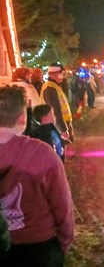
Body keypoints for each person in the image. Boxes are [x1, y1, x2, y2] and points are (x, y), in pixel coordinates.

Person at [0, 85, 74, 266]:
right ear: (24, 117)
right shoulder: (42, 154)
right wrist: (63, 244)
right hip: (40, 248)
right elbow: (62, 205)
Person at [40, 63, 74, 143]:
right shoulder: (50, 88)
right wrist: (62, 129)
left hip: (60, 125)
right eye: (62, 74)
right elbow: (55, 110)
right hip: (57, 127)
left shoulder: (54, 86)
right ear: (54, 74)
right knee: (59, 153)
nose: (63, 76)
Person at [10, 67, 41, 134]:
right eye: (29, 75)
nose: (30, 77)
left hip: (12, 121)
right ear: (24, 75)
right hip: (29, 118)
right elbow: (37, 104)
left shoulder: (9, 87)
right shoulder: (28, 87)